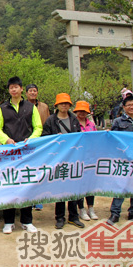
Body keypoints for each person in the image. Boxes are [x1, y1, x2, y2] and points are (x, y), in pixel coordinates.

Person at [0, 76, 42, 234]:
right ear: (9, 90)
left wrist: (31, 140)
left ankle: (27, 221)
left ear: (21, 89)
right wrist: (6, 140)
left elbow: (38, 127)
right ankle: (8, 221)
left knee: (27, 184)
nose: (13, 90)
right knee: (9, 184)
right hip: (9, 152)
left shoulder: (30, 107)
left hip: (27, 152)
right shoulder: (3, 108)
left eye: (16, 87)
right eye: (11, 87)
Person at [42, 94, 85, 229]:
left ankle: (74, 216)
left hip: (73, 157)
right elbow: (44, 137)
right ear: (57, 105)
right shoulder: (51, 120)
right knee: (59, 189)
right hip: (58, 158)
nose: (64, 105)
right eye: (61, 103)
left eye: (66, 103)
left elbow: (79, 136)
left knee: (73, 188)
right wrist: (55, 138)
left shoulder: (74, 120)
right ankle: (59, 217)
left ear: (70, 105)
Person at [107, 95, 133, 225]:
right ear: (124, 107)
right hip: (124, 158)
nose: (131, 107)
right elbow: (113, 140)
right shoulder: (118, 121)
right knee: (121, 185)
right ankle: (115, 213)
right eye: (128, 105)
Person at [25, 84, 51, 211]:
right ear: (26, 93)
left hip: (41, 141)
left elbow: (48, 123)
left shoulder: (44, 107)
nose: (33, 93)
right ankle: (30, 197)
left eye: (35, 91)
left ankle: (39, 198)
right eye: (30, 91)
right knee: (28, 170)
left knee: (40, 169)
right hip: (26, 141)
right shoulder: (22, 107)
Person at [72, 101, 99, 221]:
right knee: (79, 184)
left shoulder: (91, 125)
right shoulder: (73, 124)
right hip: (78, 157)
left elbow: (97, 138)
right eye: (80, 111)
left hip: (90, 158)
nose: (82, 113)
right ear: (76, 111)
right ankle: (81, 209)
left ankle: (91, 208)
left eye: (84, 111)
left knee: (90, 184)